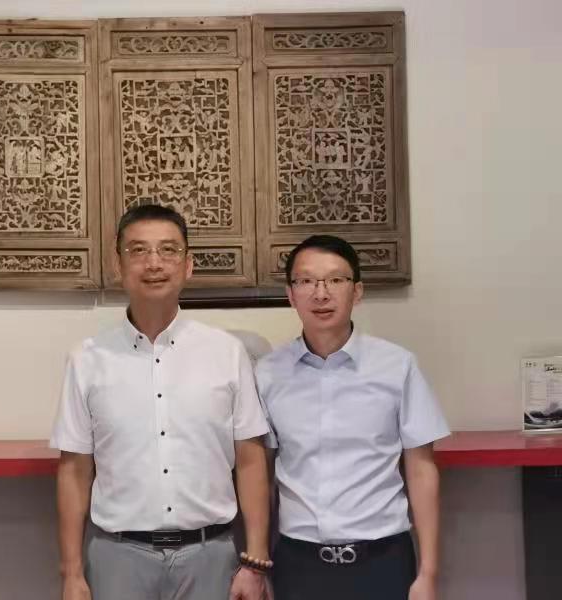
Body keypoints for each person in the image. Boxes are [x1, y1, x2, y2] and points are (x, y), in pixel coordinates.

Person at [51, 204, 272, 600]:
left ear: (188, 265)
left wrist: (255, 562)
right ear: (118, 265)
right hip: (118, 557)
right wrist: (72, 573)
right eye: (138, 250)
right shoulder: (87, 359)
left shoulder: (227, 352)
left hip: (211, 554)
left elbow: (251, 459)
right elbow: (74, 471)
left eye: (168, 250)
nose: (154, 263)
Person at [255, 234, 450, 600]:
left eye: (335, 280)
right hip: (299, 563)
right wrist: (259, 565)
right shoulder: (267, 374)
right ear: (290, 295)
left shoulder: (397, 366)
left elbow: (422, 470)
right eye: (306, 281)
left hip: (384, 560)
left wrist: (428, 573)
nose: (321, 293)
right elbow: (261, 477)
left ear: (357, 292)